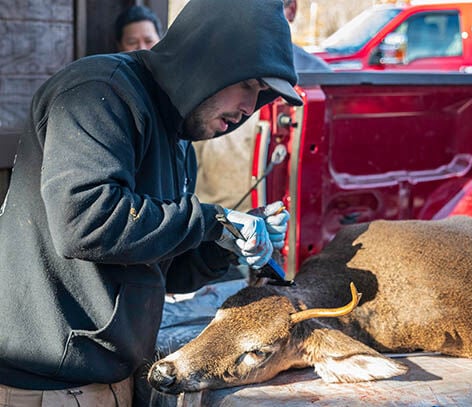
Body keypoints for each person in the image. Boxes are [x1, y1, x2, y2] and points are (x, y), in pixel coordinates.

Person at [0, 0, 301, 405]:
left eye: (262, 94)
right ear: (211, 56)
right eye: (249, 84)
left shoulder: (178, 143)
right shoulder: (100, 91)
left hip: (113, 374)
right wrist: (212, 220)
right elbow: (84, 221)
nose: (250, 107)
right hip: (45, 382)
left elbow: (163, 270)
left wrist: (227, 244)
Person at [194, 0, 330, 212]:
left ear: (291, 10)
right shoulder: (215, 63)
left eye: (272, 6)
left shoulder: (321, 78)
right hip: (216, 220)